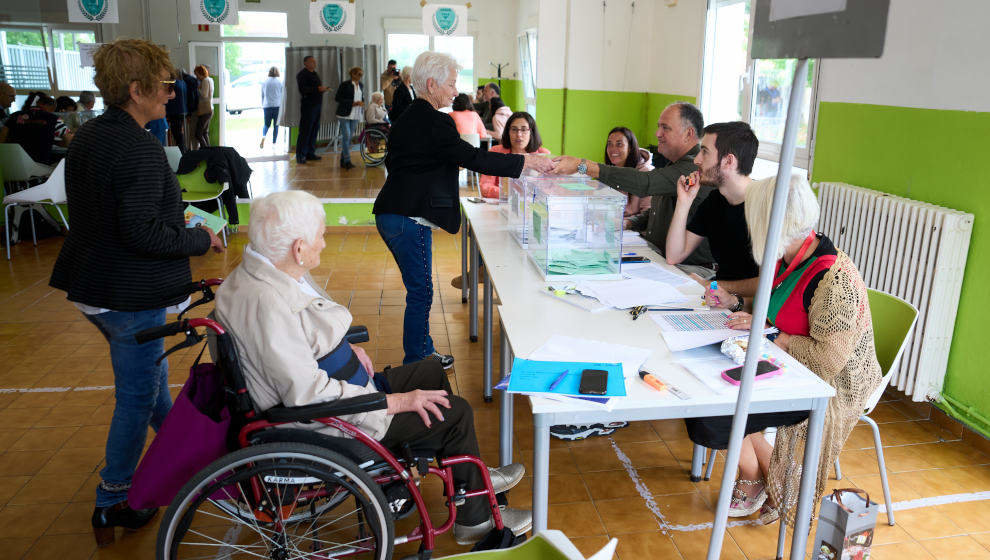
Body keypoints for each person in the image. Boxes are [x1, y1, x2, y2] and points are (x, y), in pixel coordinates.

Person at [215, 190, 532, 544]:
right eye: (320, 234)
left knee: (430, 372)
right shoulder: (266, 303)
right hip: (330, 421)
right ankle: (475, 520)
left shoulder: (257, 274)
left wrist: (343, 345)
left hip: (341, 390)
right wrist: (395, 402)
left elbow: (302, 336)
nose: (325, 240)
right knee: (452, 410)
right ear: (299, 248)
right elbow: (306, 395)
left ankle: (467, 471)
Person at [48, 38, 224, 547]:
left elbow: (115, 215)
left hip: (97, 284)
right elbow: (142, 232)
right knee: (136, 396)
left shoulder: (92, 135)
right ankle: (113, 501)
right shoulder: (138, 148)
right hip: (127, 292)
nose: (173, 95)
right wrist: (200, 238)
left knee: (150, 381)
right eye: (166, 86)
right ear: (136, 89)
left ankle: (188, 455)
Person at [694, 175, 882, 527]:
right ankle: (769, 473)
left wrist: (772, 333)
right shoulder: (792, 252)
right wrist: (732, 297)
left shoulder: (834, 277)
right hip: (787, 358)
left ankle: (763, 475)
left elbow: (829, 360)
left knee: (724, 406)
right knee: (713, 391)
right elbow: (774, 292)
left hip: (834, 381)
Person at [373, 51, 554, 368]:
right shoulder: (435, 121)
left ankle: (423, 350)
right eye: (452, 83)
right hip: (406, 218)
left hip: (394, 213)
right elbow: (474, 158)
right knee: (421, 292)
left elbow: (403, 163)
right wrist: (526, 162)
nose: (456, 91)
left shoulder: (409, 116)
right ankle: (417, 360)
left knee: (421, 289)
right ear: (432, 84)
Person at [552, 102, 716, 278]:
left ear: (688, 134)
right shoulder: (674, 165)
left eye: (665, 128)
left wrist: (582, 165)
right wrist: (627, 223)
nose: (657, 134)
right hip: (657, 256)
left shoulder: (691, 167)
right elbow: (657, 213)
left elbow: (645, 183)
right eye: (658, 127)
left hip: (689, 269)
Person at [666, 121, 761, 307]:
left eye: (705, 152)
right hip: (718, 299)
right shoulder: (715, 200)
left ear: (728, 161)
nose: (696, 160)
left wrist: (711, 284)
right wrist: (684, 202)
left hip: (750, 309)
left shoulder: (764, 207)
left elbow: (768, 284)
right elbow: (674, 255)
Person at [478, 111, 548, 199]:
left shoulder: (544, 155)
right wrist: (513, 195)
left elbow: (549, 188)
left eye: (523, 129)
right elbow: (485, 188)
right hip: (501, 205)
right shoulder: (496, 152)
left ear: (531, 132)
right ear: (508, 132)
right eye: (514, 129)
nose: (518, 135)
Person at [0, 91, 72, 165]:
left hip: (11, 166)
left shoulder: (13, 116)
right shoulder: (53, 119)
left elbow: (1, 141)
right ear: (43, 104)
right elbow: (69, 142)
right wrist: (53, 141)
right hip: (38, 168)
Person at [601, 126, 655, 221]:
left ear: (630, 148)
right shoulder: (609, 172)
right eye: (609, 144)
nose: (613, 149)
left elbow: (649, 215)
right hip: (611, 226)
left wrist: (624, 224)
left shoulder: (646, 174)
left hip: (633, 231)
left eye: (619, 144)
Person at [296, 55, 328, 164]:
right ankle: (301, 155)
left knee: (314, 129)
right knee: (305, 130)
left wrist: (322, 89)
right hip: (308, 106)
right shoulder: (302, 74)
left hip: (317, 105)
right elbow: (303, 90)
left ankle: (310, 153)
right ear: (305, 63)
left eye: (315, 61)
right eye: (312, 61)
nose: (314, 63)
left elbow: (315, 89)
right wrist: (317, 89)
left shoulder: (314, 73)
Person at [333, 66, 364, 170]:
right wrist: (352, 103)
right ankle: (347, 160)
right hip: (344, 114)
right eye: (358, 74)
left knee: (349, 138)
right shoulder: (345, 84)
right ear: (353, 74)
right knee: (346, 137)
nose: (360, 76)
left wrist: (362, 102)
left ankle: (343, 160)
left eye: (361, 74)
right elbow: (337, 98)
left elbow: (360, 96)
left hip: (355, 114)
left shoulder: (361, 85)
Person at [164, 70, 188, 153]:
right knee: (180, 134)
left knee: (177, 134)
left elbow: (170, 96)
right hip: (183, 111)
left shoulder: (173, 84)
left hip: (175, 112)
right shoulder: (183, 83)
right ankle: (183, 150)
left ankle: (181, 152)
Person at [260, 66, 283, 149]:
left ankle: (263, 137)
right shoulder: (280, 82)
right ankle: (274, 143)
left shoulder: (264, 82)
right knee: (276, 126)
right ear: (277, 72)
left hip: (267, 106)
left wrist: (263, 105)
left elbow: (262, 95)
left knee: (266, 124)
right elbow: (282, 95)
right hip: (277, 106)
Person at [193, 64, 213, 149]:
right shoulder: (210, 80)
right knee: (204, 132)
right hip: (210, 109)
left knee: (198, 133)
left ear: (200, 73)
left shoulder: (205, 81)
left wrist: (198, 88)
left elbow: (204, 95)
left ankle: (205, 150)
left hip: (205, 110)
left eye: (197, 74)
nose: (196, 76)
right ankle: (209, 150)